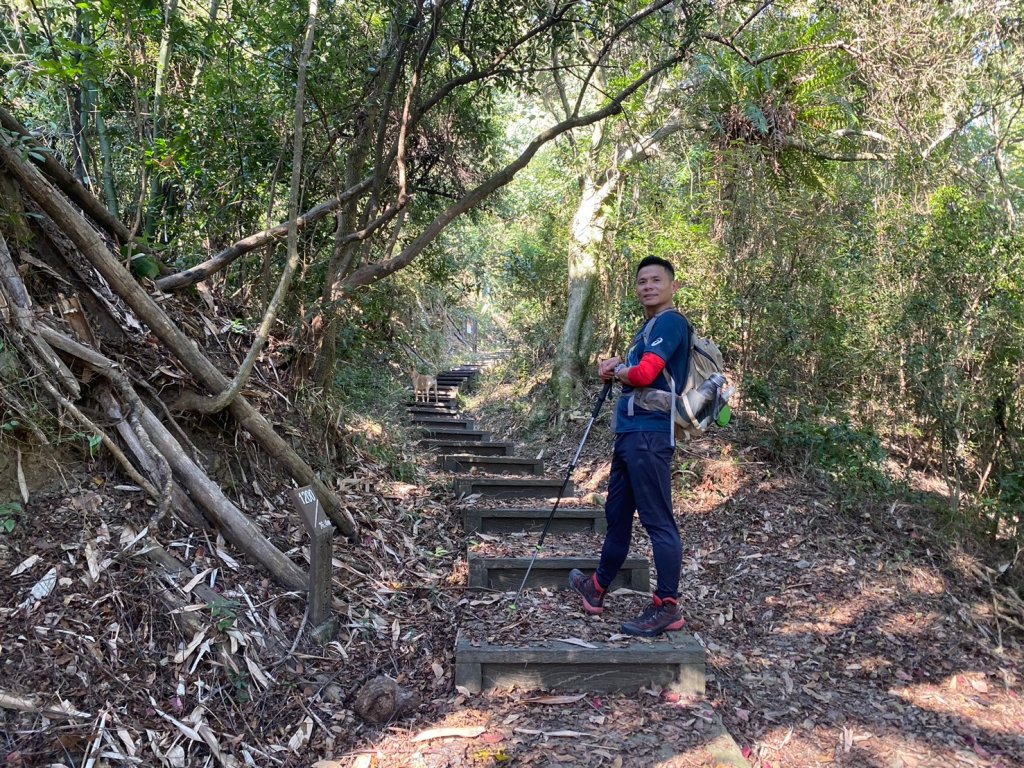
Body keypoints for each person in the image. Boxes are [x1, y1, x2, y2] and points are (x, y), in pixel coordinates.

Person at [569, 255, 689, 637]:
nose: (648, 286)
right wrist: (615, 366)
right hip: (631, 435)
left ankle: (667, 606)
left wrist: (619, 370)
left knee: (658, 521)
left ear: (673, 287)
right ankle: (597, 588)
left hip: (650, 436)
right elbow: (636, 370)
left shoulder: (671, 321)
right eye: (642, 281)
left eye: (656, 280)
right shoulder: (649, 327)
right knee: (618, 516)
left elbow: (644, 373)